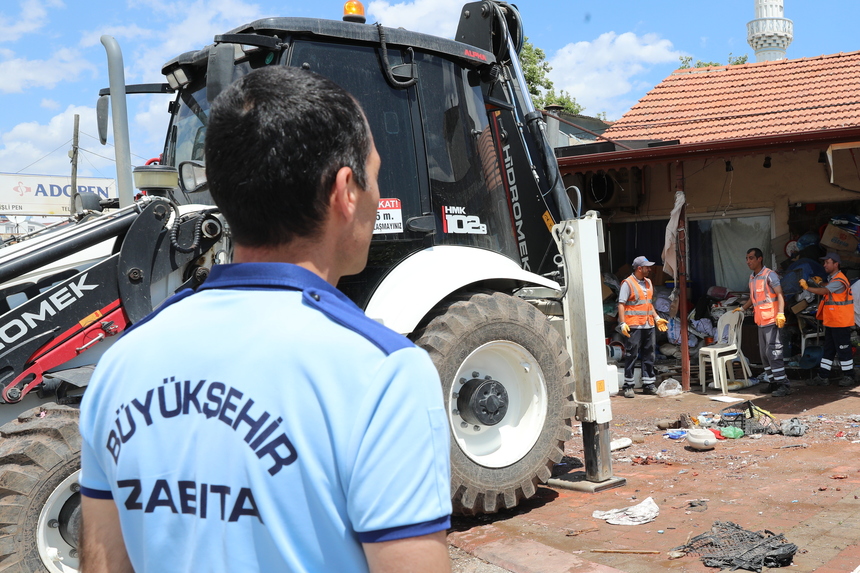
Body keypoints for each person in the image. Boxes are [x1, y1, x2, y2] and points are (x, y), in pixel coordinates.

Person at [78, 67, 452, 573]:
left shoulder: (120, 364)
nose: (376, 195)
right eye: (376, 176)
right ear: (346, 190)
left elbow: (102, 563)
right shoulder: (384, 374)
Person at [736, 248, 789, 396]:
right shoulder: (752, 277)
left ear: (760, 259)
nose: (748, 261)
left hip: (772, 320)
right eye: (747, 258)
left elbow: (780, 294)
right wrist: (742, 308)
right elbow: (754, 299)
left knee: (774, 353)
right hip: (760, 321)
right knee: (764, 355)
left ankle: (783, 385)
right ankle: (773, 384)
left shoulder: (769, 275)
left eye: (751, 258)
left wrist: (781, 313)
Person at [801, 252, 855, 387]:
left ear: (836, 264)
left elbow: (825, 292)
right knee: (829, 349)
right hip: (833, 321)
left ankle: (849, 376)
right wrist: (821, 283)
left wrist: (808, 288)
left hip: (840, 321)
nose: (824, 265)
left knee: (843, 349)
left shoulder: (839, 280)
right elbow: (827, 288)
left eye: (827, 262)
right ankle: (823, 376)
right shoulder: (834, 279)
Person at [617, 256, 668, 398]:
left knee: (649, 354)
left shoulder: (649, 283)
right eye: (647, 267)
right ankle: (628, 386)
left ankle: (649, 384)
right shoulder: (627, 283)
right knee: (631, 354)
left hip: (648, 324)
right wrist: (622, 323)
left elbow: (648, 304)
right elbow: (621, 304)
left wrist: (657, 318)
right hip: (633, 325)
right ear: (639, 268)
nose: (650, 269)